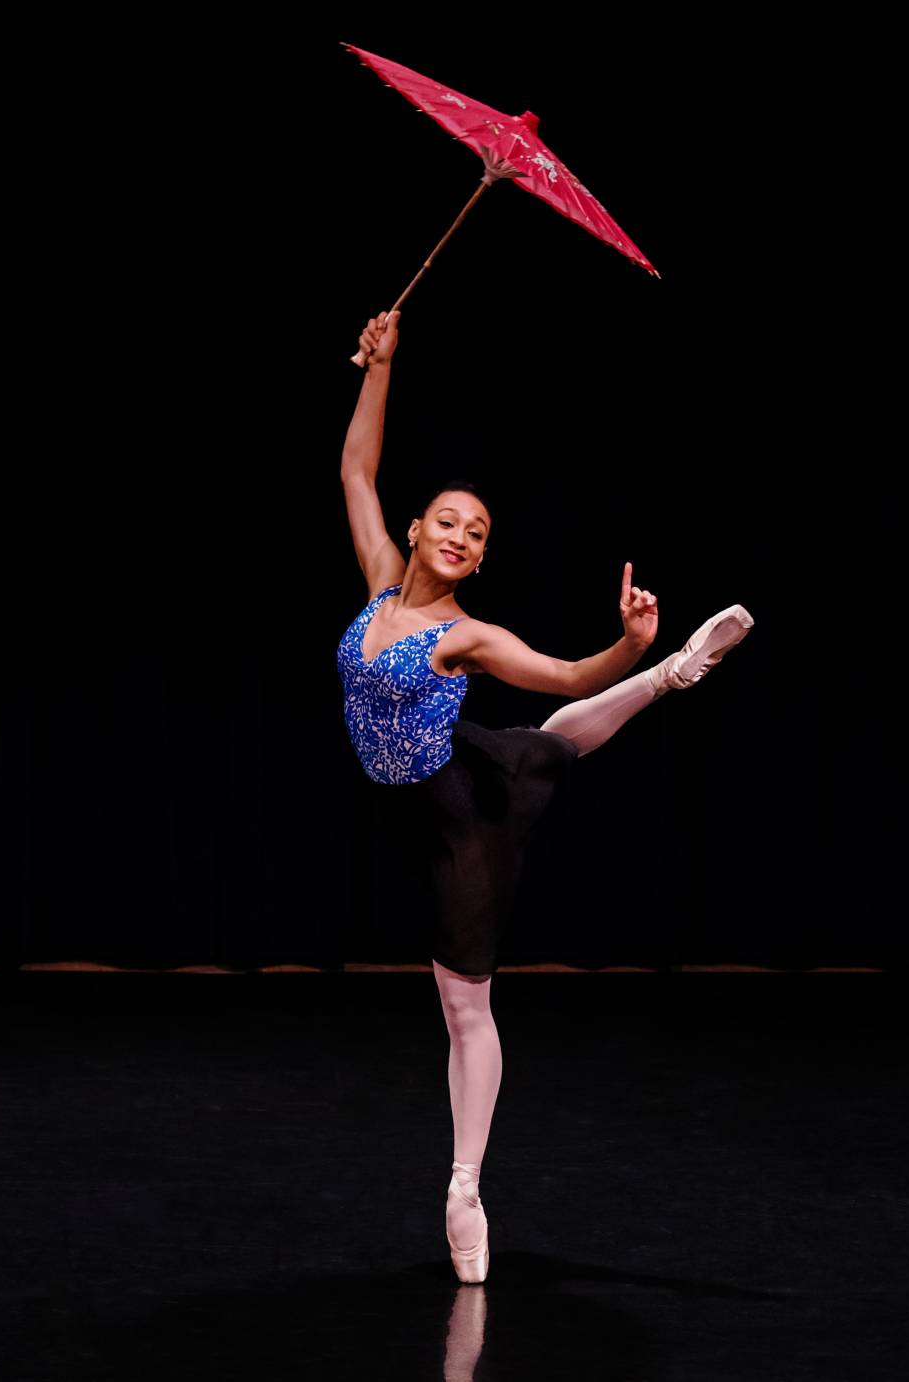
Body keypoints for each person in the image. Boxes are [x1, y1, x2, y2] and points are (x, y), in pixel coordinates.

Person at [337, 309, 754, 1284]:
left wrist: (627, 646)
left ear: (477, 561)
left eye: (474, 532)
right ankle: (662, 681)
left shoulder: (465, 635)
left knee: (463, 1006)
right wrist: (380, 367)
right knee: (535, 754)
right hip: (410, 797)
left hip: (453, 819)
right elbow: (356, 469)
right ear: (414, 528)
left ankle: (462, 1186)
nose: (458, 533)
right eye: (446, 518)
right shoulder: (371, 588)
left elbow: (565, 676)